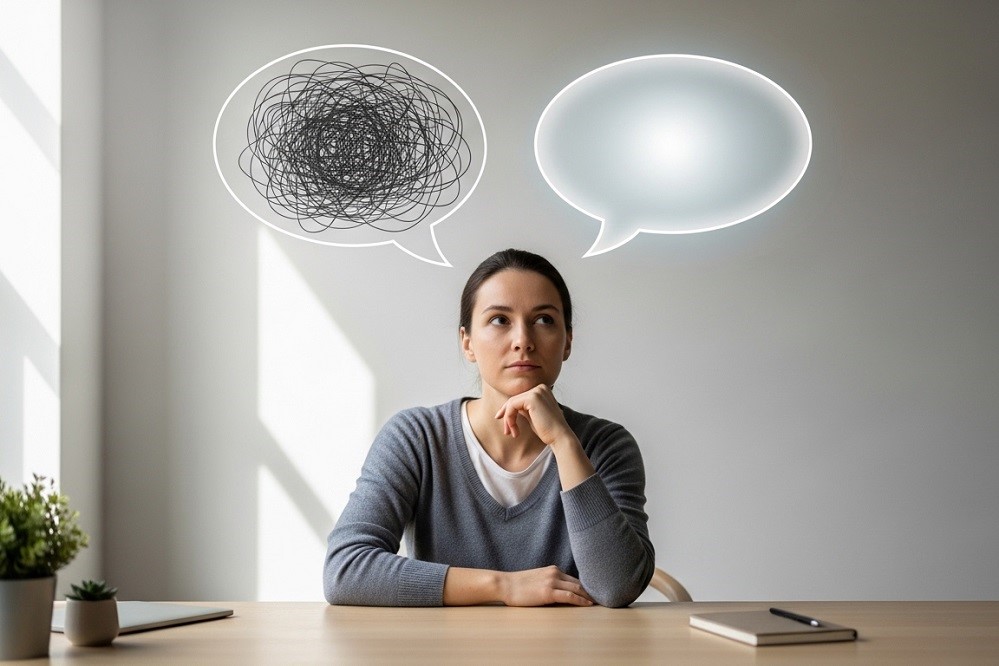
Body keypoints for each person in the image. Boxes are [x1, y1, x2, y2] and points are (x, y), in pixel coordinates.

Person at [324, 249, 654, 607]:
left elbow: (617, 586)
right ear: (467, 342)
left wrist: (563, 442)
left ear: (568, 342)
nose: (523, 340)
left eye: (544, 320)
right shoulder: (417, 438)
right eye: (499, 320)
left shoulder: (607, 445)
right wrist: (504, 586)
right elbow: (346, 569)